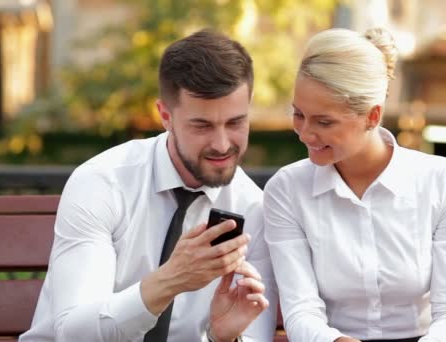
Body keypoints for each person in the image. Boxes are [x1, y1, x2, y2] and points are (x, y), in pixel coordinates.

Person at [20, 29, 277, 342]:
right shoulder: (103, 182)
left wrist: (223, 339)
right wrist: (171, 279)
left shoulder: (254, 208)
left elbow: (253, 335)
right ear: (165, 116)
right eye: (202, 125)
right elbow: (74, 333)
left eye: (235, 123)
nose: (222, 144)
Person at [263, 28, 446, 342]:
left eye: (324, 122)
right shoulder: (286, 190)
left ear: (372, 116)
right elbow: (301, 311)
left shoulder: (442, 181)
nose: (305, 133)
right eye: (298, 115)